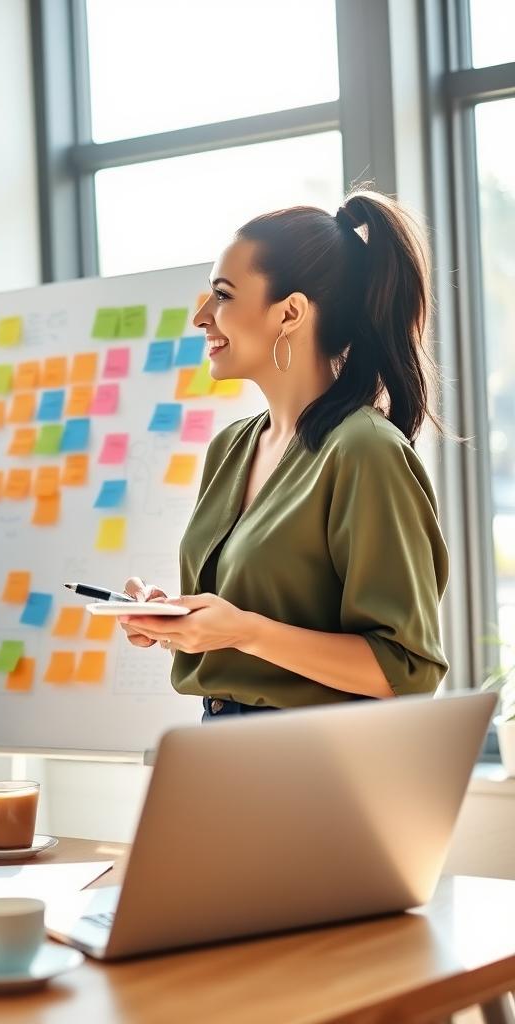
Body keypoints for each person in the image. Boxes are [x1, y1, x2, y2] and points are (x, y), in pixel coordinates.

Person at [120, 189, 449, 721]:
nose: (201, 316)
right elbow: (240, 625)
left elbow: (405, 670)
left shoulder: (364, 450)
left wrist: (244, 631)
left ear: (291, 312)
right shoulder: (232, 447)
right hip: (221, 743)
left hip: (315, 764)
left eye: (223, 295)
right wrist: (176, 620)